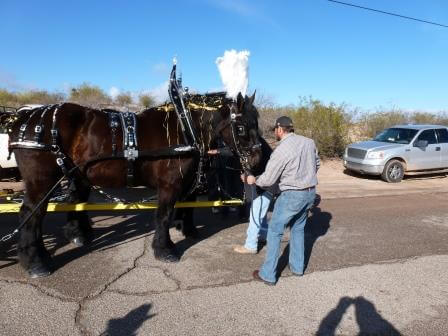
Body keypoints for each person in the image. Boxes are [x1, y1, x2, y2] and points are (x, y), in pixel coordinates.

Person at [246, 116, 320, 285]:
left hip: (292, 195)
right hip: (310, 193)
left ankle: (268, 274)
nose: (275, 132)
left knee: (274, 231)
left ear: (279, 129)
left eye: (275, 130)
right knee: (298, 229)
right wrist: (305, 176)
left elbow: (269, 178)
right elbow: (317, 164)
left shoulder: (282, 149)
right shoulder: (309, 142)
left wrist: (253, 180)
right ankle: (297, 268)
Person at [233, 136, 277, 254]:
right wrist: (246, 174)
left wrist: (252, 176)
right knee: (260, 214)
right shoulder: (257, 144)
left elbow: (257, 164)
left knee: (255, 215)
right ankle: (263, 236)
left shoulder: (258, 146)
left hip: (265, 186)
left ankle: (250, 245)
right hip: (263, 186)